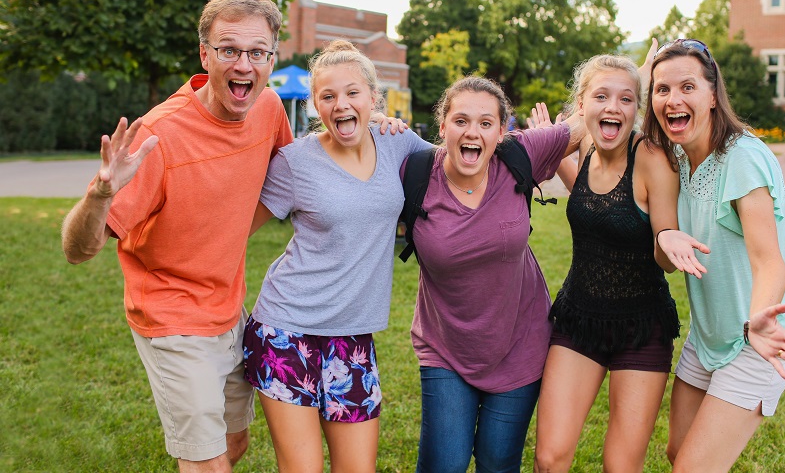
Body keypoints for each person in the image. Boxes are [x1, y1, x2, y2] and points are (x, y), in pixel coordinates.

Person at [61, 0, 292, 472]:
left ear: (272, 57)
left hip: (229, 307)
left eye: (257, 52)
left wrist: (370, 125)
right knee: (208, 463)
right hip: (172, 318)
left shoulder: (269, 110)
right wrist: (100, 195)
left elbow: (294, 177)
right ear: (205, 55)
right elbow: (77, 251)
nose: (243, 64)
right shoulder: (158, 137)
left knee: (233, 444)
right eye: (229, 50)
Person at [241, 40, 432, 472]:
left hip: (353, 339)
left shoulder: (399, 145)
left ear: (373, 99)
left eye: (352, 93)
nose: (340, 104)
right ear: (315, 105)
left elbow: (459, 164)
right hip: (285, 332)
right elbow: (236, 232)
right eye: (327, 96)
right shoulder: (294, 162)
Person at [642, 38, 785, 472]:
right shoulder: (676, 156)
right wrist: (664, 239)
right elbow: (667, 258)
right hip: (710, 332)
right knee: (678, 452)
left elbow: (768, 261)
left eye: (687, 87)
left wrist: (758, 319)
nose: (673, 100)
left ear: (713, 95)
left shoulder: (742, 158)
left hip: (762, 335)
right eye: (662, 90)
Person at [532, 54, 707, 473]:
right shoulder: (588, 145)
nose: (613, 107)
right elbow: (592, 202)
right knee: (549, 457)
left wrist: (668, 239)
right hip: (579, 320)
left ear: (636, 109)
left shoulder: (652, 158)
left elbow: (664, 254)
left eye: (626, 99)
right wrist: (554, 152)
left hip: (640, 328)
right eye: (602, 97)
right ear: (581, 105)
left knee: (620, 465)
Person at [402, 76, 585, 472]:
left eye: (486, 123)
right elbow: (357, 145)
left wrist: (640, 76)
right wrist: (380, 118)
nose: (472, 132)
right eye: (461, 120)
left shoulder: (520, 155)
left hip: (521, 344)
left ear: (503, 131)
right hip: (445, 347)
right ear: (443, 125)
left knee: (497, 463)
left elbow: (590, 117)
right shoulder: (414, 171)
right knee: (443, 465)